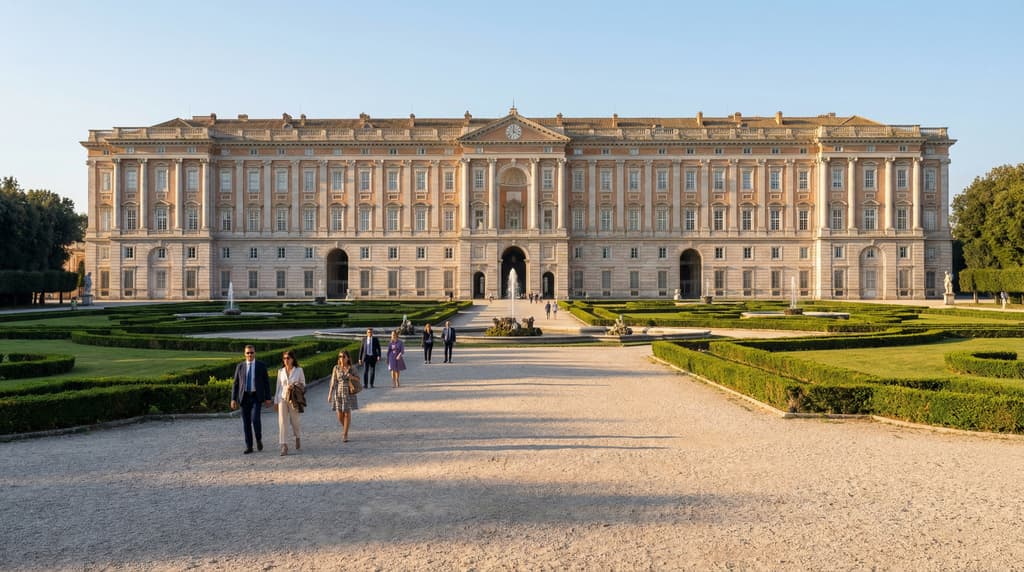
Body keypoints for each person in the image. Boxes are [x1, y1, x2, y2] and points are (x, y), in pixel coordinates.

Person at [230, 345, 272, 454]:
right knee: (246, 423)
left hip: (256, 397)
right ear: (244, 354)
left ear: (255, 353)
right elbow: (235, 383)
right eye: (248, 353)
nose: (250, 355)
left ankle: (258, 439)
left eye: (252, 352)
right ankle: (249, 446)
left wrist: (268, 398)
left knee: (255, 419)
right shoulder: (240, 366)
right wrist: (233, 399)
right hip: (244, 398)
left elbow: (266, 383)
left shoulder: (261, 366)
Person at [273, 350, 305, 456]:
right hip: (282, 398)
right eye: (284, 358)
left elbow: (303, 384)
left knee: (294, 420)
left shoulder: (299, 370)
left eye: (288, 358)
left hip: (293, 399)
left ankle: (298, 436)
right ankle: (284, 445)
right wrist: (276, 402)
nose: (286, 360)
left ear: (293, 359)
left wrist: (295, 385)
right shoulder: (280, 371)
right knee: (282, 422)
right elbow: (278, 387)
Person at [327, 351, 359, 443]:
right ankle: (346, 426)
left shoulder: (352, 368)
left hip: (349, 392)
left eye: (343, 356)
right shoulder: (336, 368)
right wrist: (330, 394)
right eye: (340, 356)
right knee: (339, 415)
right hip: (338, 393)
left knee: (346, 413)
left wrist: (352, 377)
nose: (341, 358)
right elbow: (333, 381)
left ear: (348, 358)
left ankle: (345, 434)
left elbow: (358, 379)